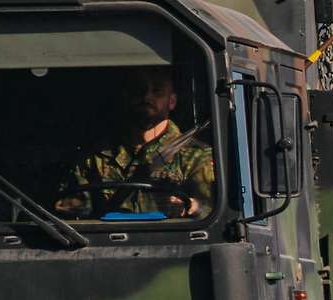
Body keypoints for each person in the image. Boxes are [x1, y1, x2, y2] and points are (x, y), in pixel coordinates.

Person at [55, 67, 215, 219]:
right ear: (126, 97)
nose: (146, 97)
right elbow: (71, 213)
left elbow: (214, 213)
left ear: (172, 101)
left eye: (157, 90)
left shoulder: (195, 156)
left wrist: (192, 206)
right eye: (139, 90)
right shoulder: (95, 158)